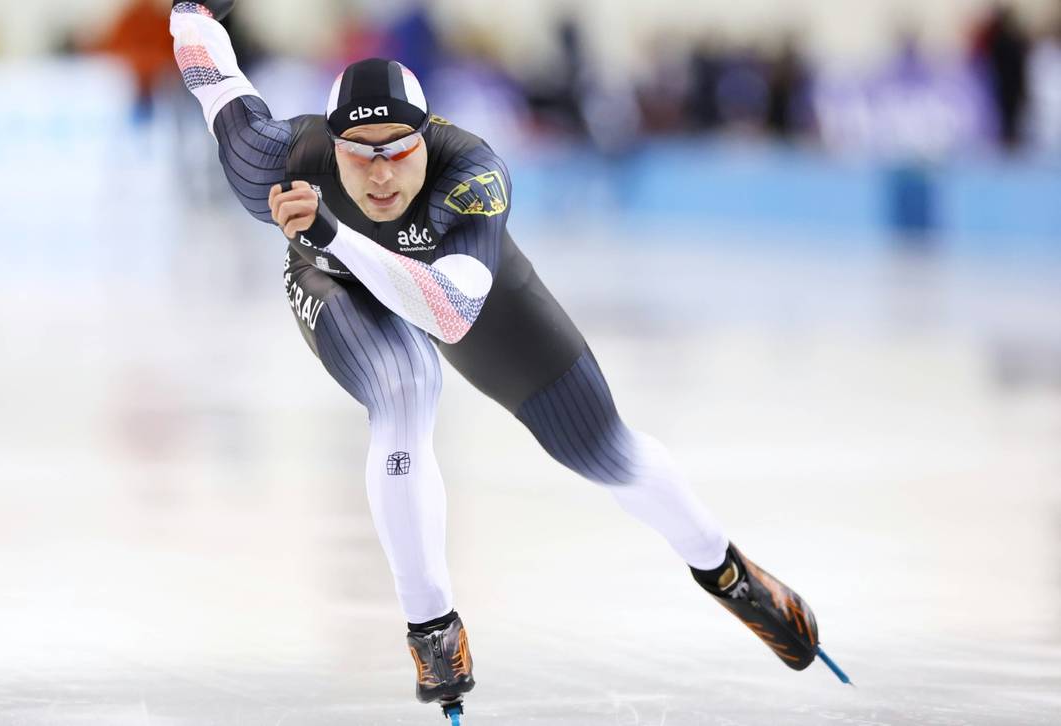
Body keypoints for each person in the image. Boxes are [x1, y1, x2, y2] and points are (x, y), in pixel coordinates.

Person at [169, 1, 832, 717]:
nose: (383, 172)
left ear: (430, 139)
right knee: (404, 387)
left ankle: (727, 573)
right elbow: (213, 75)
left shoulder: (472, 172)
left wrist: (334, 230)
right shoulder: (273, 159)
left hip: (452, 282)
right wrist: (193, 10)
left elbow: (450, 312)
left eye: (400, 149)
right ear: (330, 149)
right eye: (361, 153)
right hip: (337, 283)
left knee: (604, 450)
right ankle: (433, 629)